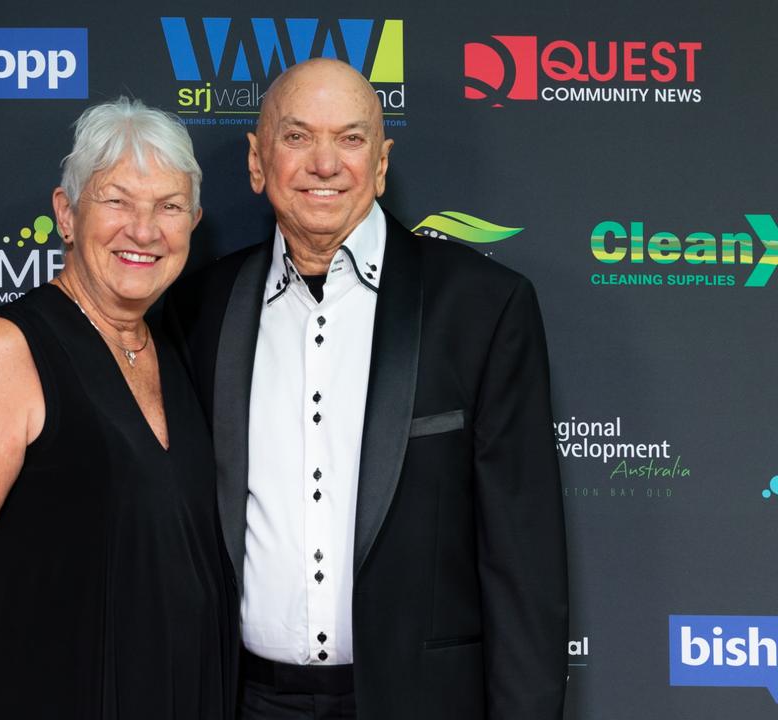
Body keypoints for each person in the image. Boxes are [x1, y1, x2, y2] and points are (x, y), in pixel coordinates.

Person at [163, 58, 568, 719]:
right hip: (246, 701)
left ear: (380, 164)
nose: (325, 163)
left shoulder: (484, 308)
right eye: (297, 137)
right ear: (257, 161)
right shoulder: (198, 311)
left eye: (350, 138)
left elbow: (525, 565)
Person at [0, 97, 237, 720]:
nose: (144, 230)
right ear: (66, 212)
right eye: (116, 201)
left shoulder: (176, 353)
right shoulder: (10, 351)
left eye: (168, 206)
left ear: (192, 222)